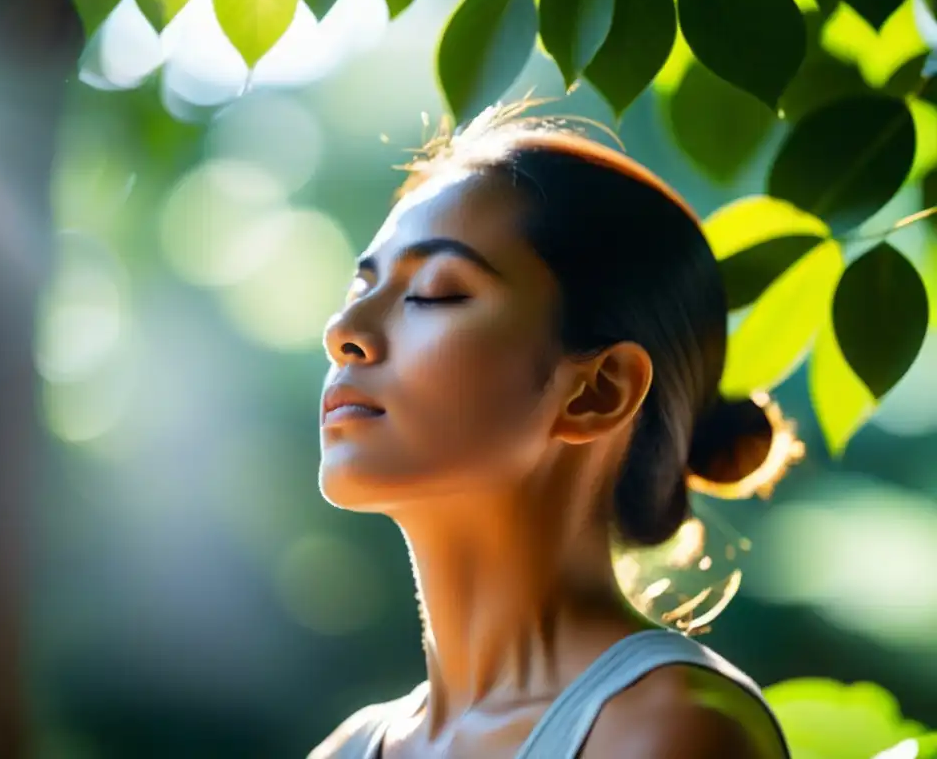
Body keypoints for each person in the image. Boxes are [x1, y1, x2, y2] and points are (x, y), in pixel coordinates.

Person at [309, 104, 799, 759]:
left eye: (435, 291)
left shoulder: (670, 732)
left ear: (598, 392)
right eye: (358, 289)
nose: (344, 333)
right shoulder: (348, 749)